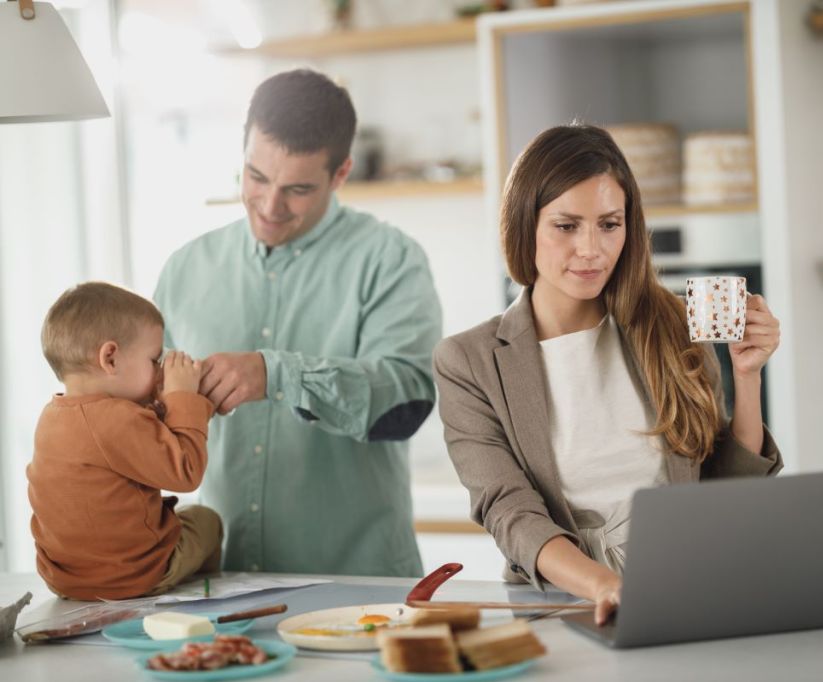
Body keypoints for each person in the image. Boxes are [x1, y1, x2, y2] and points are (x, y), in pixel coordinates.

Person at [433, 124, 782, 624]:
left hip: (690, 586)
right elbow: (511, 513)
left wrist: (747, 376)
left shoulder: (672, 325)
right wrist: (608, 586)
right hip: (560, 605)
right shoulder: (469, 361)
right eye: (567, 225)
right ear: (523, 224)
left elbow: (724, 491)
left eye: (609, 224)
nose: (591, 250)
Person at [154, 69, 442, 577]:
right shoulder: (185, 269)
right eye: (256, 177)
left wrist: (279, 375)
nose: (269, 206)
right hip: (221, 587)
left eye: (298, 189)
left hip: (359, 588)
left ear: (341, 174)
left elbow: (409, 398)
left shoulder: (391, 259)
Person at [27, 282, 220, 600]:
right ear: (111, 358)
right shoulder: (117, 418)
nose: (159, 371)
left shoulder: (52, 417)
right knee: (206, 520)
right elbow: (185, 472)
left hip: (66, 579)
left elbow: (126, 450)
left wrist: (162, 405)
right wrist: (184, 396)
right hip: (132, 577)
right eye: (154, 360)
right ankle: (206, 595)